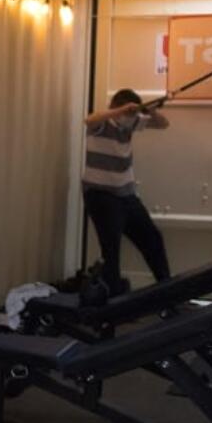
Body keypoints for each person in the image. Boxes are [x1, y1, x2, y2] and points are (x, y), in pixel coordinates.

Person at [82, 88, 171, 297]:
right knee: (111, 251)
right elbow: (89, 120)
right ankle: (114, 307)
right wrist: (121, 110)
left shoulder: (130, 122)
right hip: (101, 195)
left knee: (153, 239)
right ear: (117, 109)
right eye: (127, 114)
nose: (131, 119)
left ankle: (168, 295)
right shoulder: (102, 124)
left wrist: (150, 111)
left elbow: (163, 124)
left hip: (126, 196)